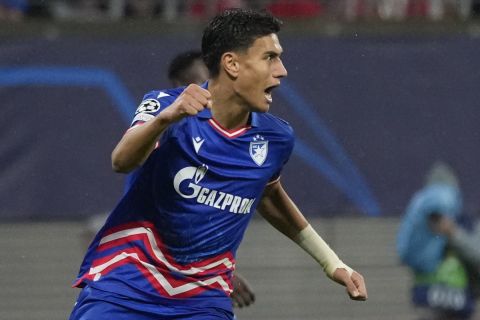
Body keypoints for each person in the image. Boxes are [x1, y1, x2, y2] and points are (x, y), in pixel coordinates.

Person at [70, 8, 367, 320]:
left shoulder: (275, 138)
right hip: (126, 287)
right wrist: (167, 118)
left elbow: (268, 194)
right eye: (269, 57)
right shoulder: (163, 105)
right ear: (232, 64)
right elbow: (121, 161)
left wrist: (331, 263)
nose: (282, 71)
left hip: (203, 300)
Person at [397, 162, 479, 320]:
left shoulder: (465, 224)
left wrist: (454, 234)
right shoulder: (422, 227)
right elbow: (407, 253)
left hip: (458, 304)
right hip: (430, 301)